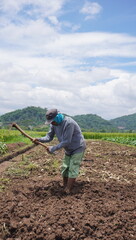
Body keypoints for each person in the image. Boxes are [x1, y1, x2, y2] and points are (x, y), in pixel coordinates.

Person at [34, 108, 86, 194]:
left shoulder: (69, 123)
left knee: (73, 167)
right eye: (51, 122)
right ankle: (65, 186)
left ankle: (68, 189)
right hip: (68, 149)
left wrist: (53, 148)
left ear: (58, 117)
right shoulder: (53, 124)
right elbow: (49, 137)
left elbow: (66, 141)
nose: (52, 123)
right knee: (65, 167)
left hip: (78, 147)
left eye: (53, 121)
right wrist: (39, 140)